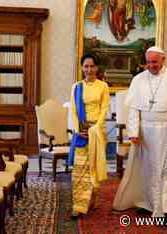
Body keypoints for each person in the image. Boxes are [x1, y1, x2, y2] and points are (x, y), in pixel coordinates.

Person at [112, 46, 167, 225]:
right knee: (147, 170)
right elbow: (133, 109)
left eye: (154, 62)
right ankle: (148, 204)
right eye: (148, 62)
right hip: (145, 132)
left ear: (163, 60)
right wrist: (133, 132)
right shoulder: (138, 80)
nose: (150, 66)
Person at [69, 53, 110, 218]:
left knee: (93, 169)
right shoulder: (76, 87)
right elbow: (73, 110)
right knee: (79, 171)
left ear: (97, 68)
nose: (89, 69)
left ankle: (91, 200)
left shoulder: (103, 86)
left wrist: (95, 129)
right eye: (86, 66)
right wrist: (80, 130)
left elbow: (104, 109)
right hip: (81, 133)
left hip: (97, 133)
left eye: (92, 66)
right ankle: (78, 206)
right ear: (81, 68)